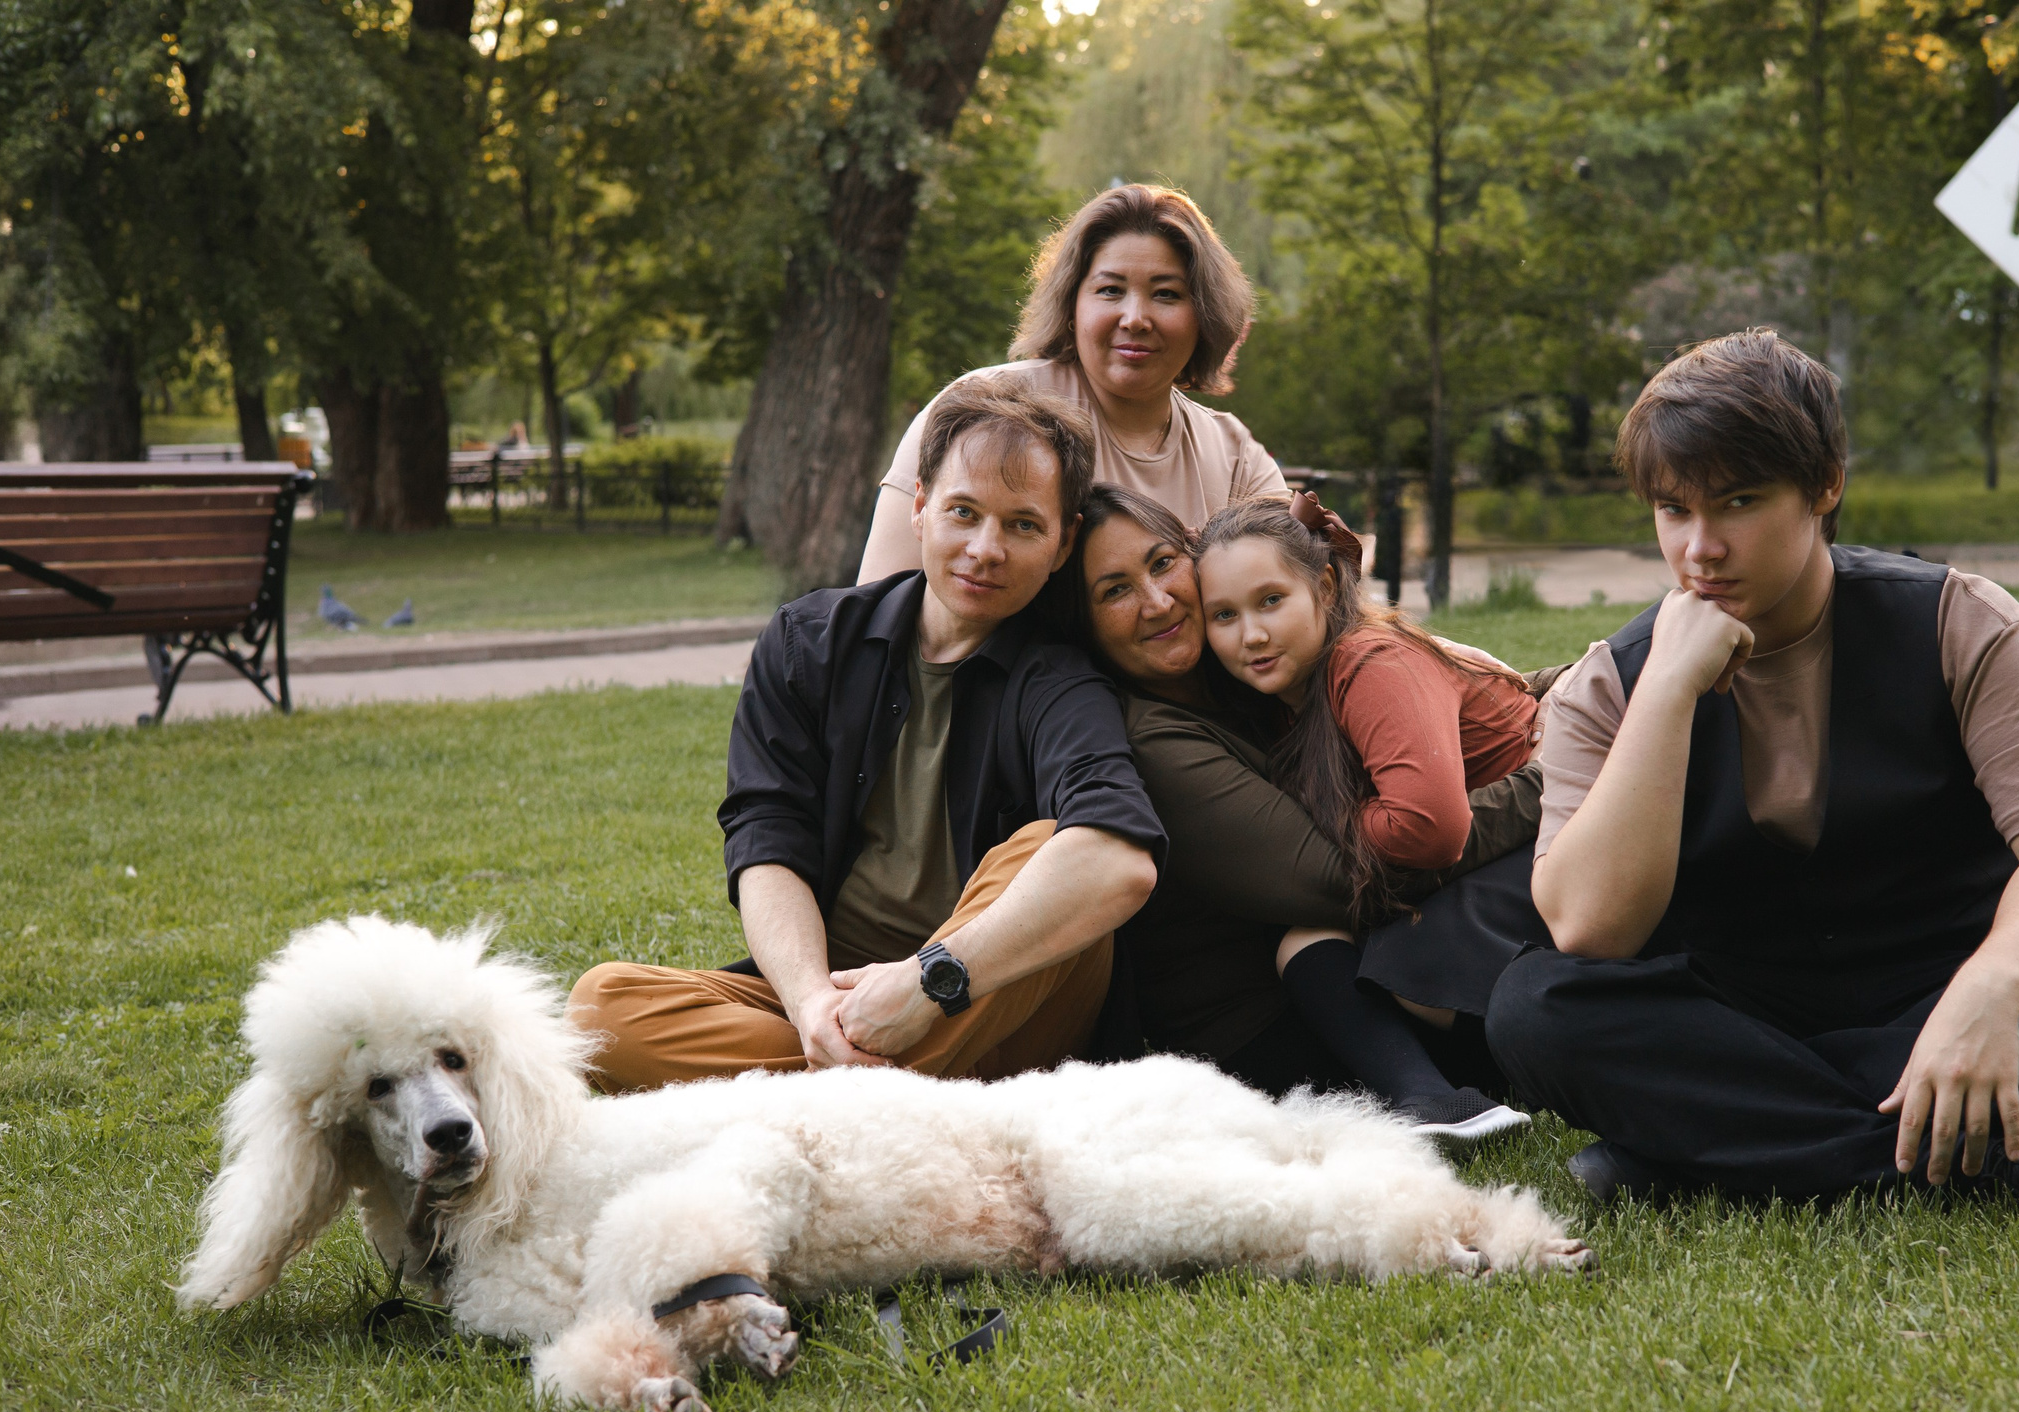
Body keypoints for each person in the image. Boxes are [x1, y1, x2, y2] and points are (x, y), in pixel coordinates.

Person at [1486, 329, 2019, 1210]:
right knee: (1534, 1005)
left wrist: (1990, 990)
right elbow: (1592, 930)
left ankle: (1706, 1160)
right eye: (1674, 511)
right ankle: (2009, 1167)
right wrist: (1669, 689)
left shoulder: (1958, 621)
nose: (1700, 549)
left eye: (1739, 502)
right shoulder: (1614, 680)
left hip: (1936, 979)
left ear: (1824, 487)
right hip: (1735, 1012)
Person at [569, 374, 1164, 1090]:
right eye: (963, 512)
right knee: (600, 1010)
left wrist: (929, 984)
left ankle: (851, 1089)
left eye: (1023, 524)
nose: (985, 548)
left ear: (1064, 543)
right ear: (918, 508)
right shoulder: (809, 643)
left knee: (1052, 852)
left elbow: (1118, 862)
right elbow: (767, 839)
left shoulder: (1060, 681)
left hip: (996, 1002)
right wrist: (812, 1005)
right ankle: (895, 1091)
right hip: (839, 990)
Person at [1049, 485, 1540, 1107]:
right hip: (1276, 1023)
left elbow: (1441, 698)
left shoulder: (1257, 677)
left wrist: (1548, 693)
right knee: (1312, 939)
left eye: (1163, 563)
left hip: (1364, 965)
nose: (1156, 600)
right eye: (1114, 590)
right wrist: (1542, 788)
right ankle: (1435, 1096)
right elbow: (1350, 877)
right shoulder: (1153, 738)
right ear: (1084, 624)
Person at [1192, 494, 1545, 1143]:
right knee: (1305, 940)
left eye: (1271, 600)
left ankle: (1508, 1072)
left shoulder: (1366, 660)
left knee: (1392, 958)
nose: (1252, 634)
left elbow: (1428, 828)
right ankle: (1431, 1099)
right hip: (1483, 878)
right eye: (1224, 615)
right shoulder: (1287, 697)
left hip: (1543, 855)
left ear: (1324, 586)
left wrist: (1321, 822)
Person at [857, 184, 1288, 584]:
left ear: (1205, 318)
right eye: (1110, 290)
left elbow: (1295, 607)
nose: (1135, 318)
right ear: (1071, 304)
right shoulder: (979, 409)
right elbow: (877, 608)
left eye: (1166, 294)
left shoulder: (1236, 459)